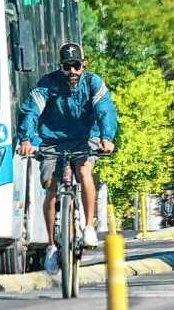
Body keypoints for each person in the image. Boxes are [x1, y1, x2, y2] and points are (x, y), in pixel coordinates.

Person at [16, 42, 118, 275]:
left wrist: (107, 137)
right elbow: (31, 110)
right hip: (52, 141)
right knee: (51, 187)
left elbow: (106, 110)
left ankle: (89, 226)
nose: (71, 71)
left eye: (76, 66)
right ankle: (52, 246)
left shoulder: (94, 83)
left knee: (84, 171)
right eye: (66, 66)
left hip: (84, 138)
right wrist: (26, 139)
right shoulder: (47, 84)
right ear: (60, 67)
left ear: (84, 65)